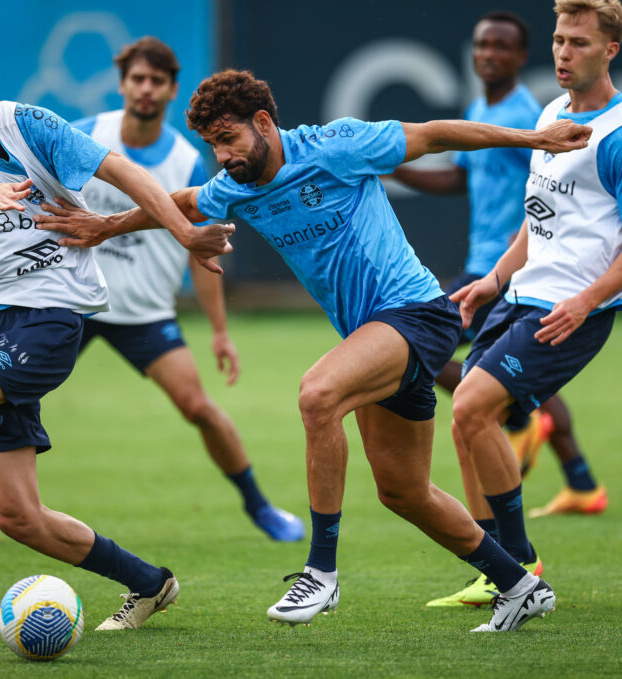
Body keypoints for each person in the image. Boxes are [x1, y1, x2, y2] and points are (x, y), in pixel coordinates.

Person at [35, 70, 592, 631]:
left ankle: (320, 574)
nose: (222, 156)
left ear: (263, 123)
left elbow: (436, 134)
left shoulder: (337, 146)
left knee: (318, 394)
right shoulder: (238, 187)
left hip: (418, 313)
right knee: (404, 492)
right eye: (212, 145)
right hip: (375, 335)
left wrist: (534, 139)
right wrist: (106, 227)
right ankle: (520, 584)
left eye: (228, 139)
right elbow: (181, 201)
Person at [0, 26, 235, 633]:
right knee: (18, 517)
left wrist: (183, 233)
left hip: (51, 318)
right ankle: (150, 584)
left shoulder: (30, 124)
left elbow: (124, 172)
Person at [0, 36, 304, 546]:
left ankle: (260, 507)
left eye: (156, 81)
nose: (145, 89)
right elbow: (5, 208)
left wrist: (218, 331)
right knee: (4, 392)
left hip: (143, 312)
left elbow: (202, 258)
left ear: (172, 90)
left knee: (199, 407)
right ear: (123, 84)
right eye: (136, 79)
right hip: (62, 300)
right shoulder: (82, 135)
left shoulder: (187, 162)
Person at [427, 0, 622, 606]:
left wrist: (586, 301)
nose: (563, 52)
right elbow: (539, 218)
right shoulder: (552, 114)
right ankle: (497, 569)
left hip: (571, 310)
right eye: (559, 40)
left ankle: (521, 569)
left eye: (579, 42)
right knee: (465, 421)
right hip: (524, 292)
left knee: (473, 404)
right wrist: (494, 280)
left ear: (610, 50)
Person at [392, 11, 607, 609]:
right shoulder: (484, 109)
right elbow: (459, 179)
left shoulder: (526, 117)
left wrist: (505, 271)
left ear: (519, 57)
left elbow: (552, 199)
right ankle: (577, 480)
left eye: (501, 47)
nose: (488, 53)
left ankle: (510, 552)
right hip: (494, 269)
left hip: (514, 267)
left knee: (426, 351)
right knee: (482, 383)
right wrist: (392, 167)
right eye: (481, 43)